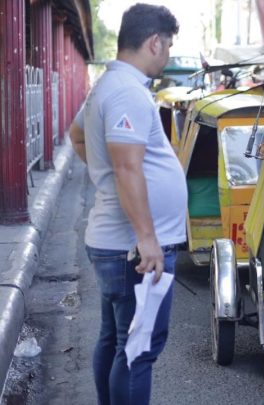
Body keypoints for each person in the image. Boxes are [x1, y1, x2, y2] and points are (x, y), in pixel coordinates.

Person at [68, 4, 186, 404]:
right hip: (133, 249)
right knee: (137, 351)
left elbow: (78, 137)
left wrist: (104, 173)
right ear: (154, 42)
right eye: (167, 46)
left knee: (116, 341)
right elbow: (126, 167)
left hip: (118, 243)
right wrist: (148, 238)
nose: (167, 54)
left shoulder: (107, 86)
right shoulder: (126, 92)